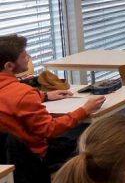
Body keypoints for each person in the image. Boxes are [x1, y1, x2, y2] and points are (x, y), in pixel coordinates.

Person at [0, 34, 105, 166]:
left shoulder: (19, 93)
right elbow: (49, 129)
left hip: (7, 161)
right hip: (34, 160)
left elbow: (8, 97)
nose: (29, 57)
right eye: (24, 55)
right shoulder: (23, 94)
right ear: (9, 66)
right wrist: (84, 111)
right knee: (98, 143)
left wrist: (46, 96)